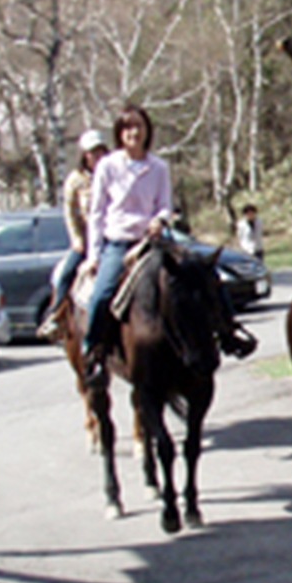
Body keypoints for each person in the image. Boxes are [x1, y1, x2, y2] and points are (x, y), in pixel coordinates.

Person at [81, 104, 174, 385]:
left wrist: (160, 219)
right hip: (119, 243)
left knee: (197, 276)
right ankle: (94, 350)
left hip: (151, 241)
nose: (134, 132)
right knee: (101, 294)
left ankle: (226, 333)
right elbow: (97, 212)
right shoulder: (108, 166)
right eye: (128, 127)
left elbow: (165, 205)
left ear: (148, 131)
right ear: (120, 134)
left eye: (139, 126)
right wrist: (94, 254)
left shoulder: (159, 167)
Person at [36, 128, 106, 343]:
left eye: (100, 151)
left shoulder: (113, 173)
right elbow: (70, 213)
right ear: (84, 155)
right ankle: (56, 315)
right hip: (86, 241)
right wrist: (77, 240)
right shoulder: (75, 180)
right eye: (92, 152)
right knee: (65, 273)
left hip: (112, 237)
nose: (97, 156)